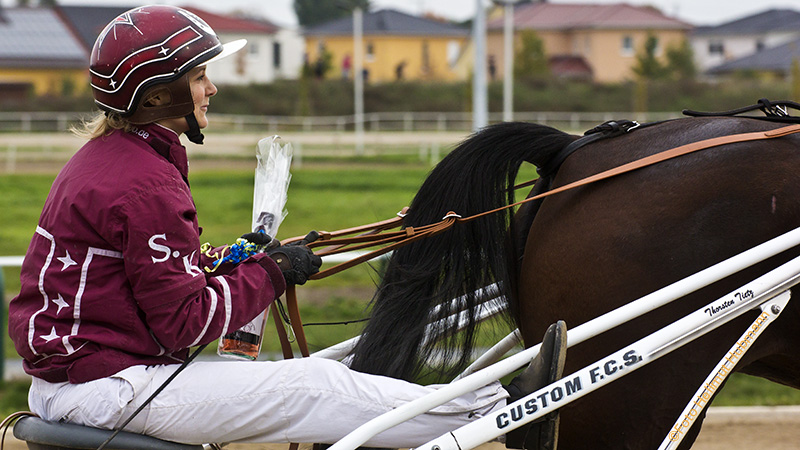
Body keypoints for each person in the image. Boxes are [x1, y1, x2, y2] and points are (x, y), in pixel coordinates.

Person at [8, 5, 556, 448]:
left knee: (321, 380)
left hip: (83, 377)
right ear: (158, 96)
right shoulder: (146, 183)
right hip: (109, 386)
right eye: (200, 77)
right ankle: (506, 413)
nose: (211, 89)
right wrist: (273, 273)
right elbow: (185, 323)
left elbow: (157, 273)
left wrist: (243, 255)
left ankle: (491, 408)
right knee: (315, 387)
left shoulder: (108, 159)